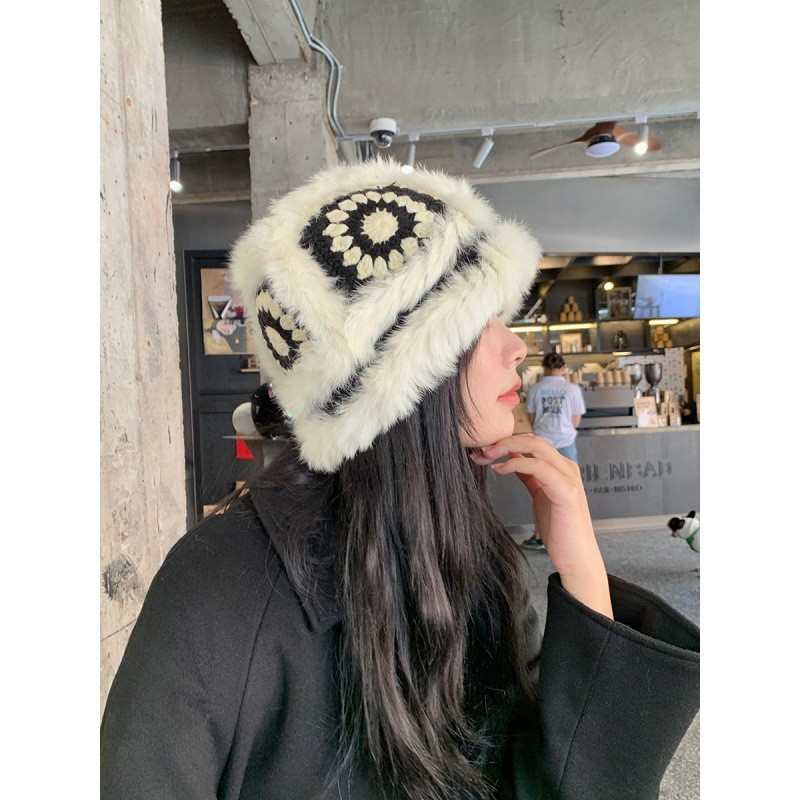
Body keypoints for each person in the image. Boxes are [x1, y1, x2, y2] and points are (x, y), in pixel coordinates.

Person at [101, 159, 699, 800]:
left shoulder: (476, 556)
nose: (515, 346)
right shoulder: (219, 583)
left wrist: (583, 571)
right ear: (397, 374)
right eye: (476, 320)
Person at [521, 352, 586, 551]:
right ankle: (573, 538)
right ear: (564, 368)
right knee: (571, 489)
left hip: (542, 444)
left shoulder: (535, 389)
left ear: (544, 367)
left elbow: (531, 418)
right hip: (566, 443)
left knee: (541, 491)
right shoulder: (572, 389)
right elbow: (576, 420)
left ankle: (540, 537)